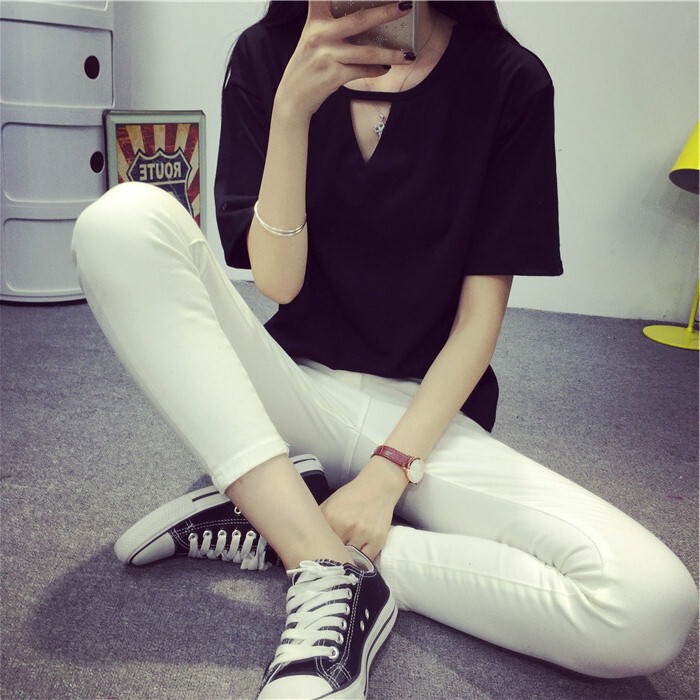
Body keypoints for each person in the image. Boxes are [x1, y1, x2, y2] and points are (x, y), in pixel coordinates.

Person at [71, 1, 698, 698]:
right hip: (290, 393)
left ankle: (282, 521)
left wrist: (388, 473)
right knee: (121, 223)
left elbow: (478, 323)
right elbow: (278, 282)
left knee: (649, 608)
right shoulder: (268, 56)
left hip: (426, 422)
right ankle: (321, 560)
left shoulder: (507, 79)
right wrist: (292, 111)